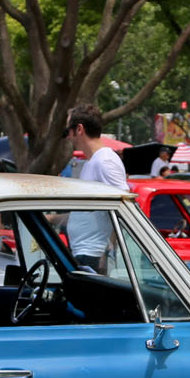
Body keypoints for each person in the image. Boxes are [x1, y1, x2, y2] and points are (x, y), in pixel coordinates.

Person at [66, 105, 129, 271]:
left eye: (68, 131)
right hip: (85, 253)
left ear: (79, 129)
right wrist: (52, 218)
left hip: (93, 254)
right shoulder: (92, 162)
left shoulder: (104, 161)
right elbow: (88, 213)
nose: (68, 137)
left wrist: (107, 250)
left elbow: (123, 208)